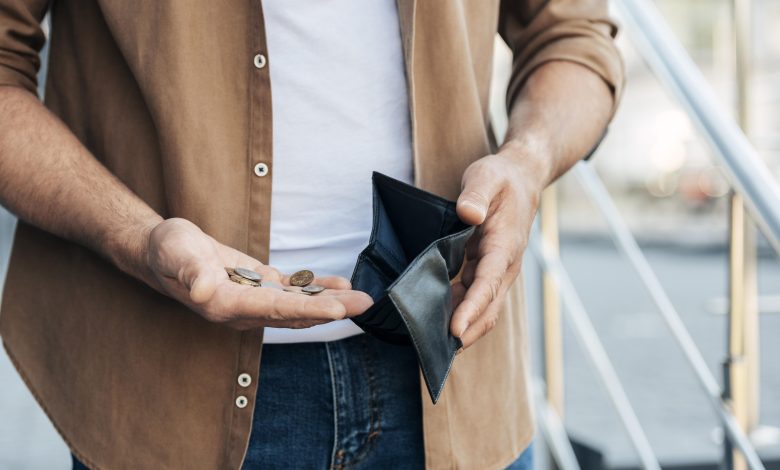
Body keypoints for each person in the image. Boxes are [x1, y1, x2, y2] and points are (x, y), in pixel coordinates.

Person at [0, 0, 623, 468]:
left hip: (453, 385)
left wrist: (528, 159)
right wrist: (138, 239)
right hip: (163, 395)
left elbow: (572, 36)